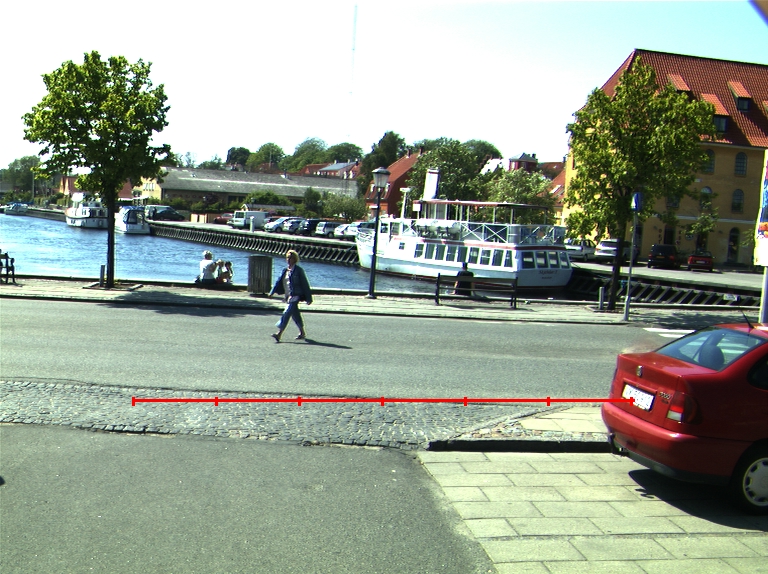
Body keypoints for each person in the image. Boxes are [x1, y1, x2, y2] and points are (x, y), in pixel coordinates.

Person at [268, 250, 313, 342]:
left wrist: (309, 298)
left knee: (287, 313)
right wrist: (272, 292)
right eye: (287, 258)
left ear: (295, 259)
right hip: (288, 296)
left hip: (296, 295)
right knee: (295, 314)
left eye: (291, 258)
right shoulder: (285, 270)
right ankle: (302, 333)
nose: (288, 260)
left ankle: (279, 334)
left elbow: (305, 284)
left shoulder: (298, 270)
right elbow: (278, 282)